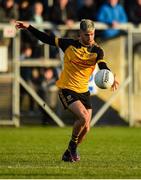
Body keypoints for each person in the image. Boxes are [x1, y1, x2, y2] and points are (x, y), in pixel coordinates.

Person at [15, 19, 119, 162]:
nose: (90, 38)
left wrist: (110, 76)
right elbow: (46, 39)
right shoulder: (68, 44)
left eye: (92, 34)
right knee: (83, 117)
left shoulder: (97, 50)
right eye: (87, 35)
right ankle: (72, 148)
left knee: (86, 127)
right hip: (67, 89)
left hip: (84, 92)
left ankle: (69, 152)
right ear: (80, 34)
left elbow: (102, 65)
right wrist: (29, 27)